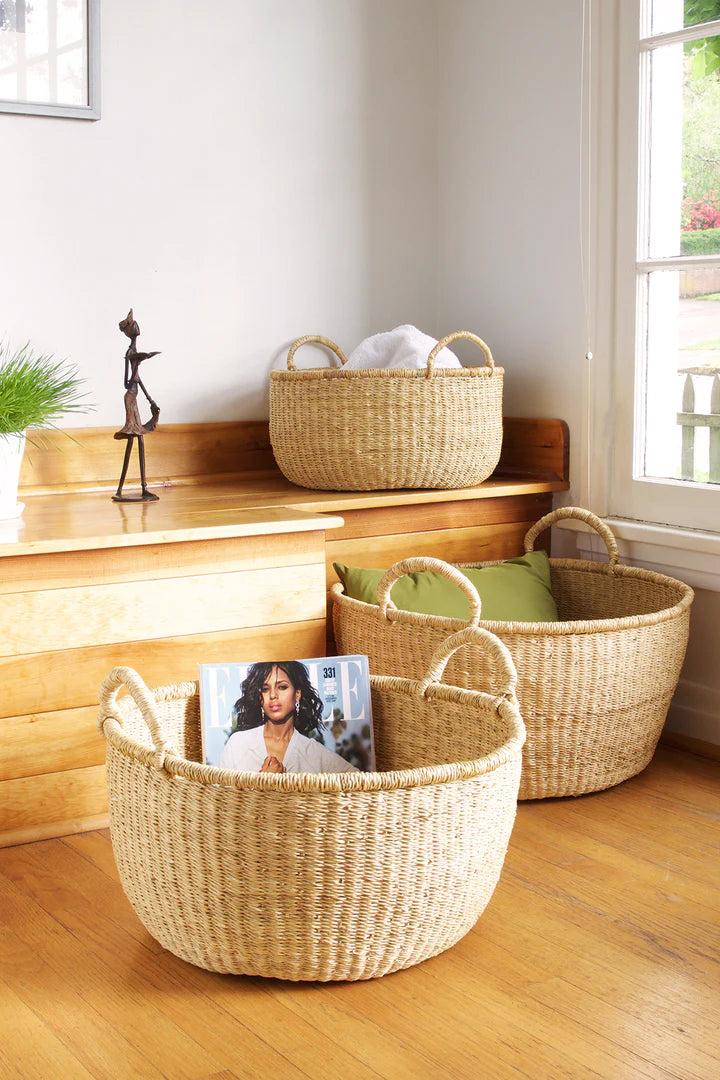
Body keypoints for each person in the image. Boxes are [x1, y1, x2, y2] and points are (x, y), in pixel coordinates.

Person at [218, 660, 358, 775]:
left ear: (297, 694)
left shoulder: (315, 754)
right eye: (265, 689)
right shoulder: (238, 745)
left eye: (282, 687)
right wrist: (262, 785)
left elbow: (361, 785)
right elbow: (221, 804)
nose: (273, 695)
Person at [113, 309, 161, 502]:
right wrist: (136, 367)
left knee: (140, 441)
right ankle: (121, 489)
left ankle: (143, 488)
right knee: (133, 441)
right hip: (130, 398)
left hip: (136, 396)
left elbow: (139, 382)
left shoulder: (134, 353)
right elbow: (128, 383)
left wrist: (150, 399)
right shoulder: (129, 353)